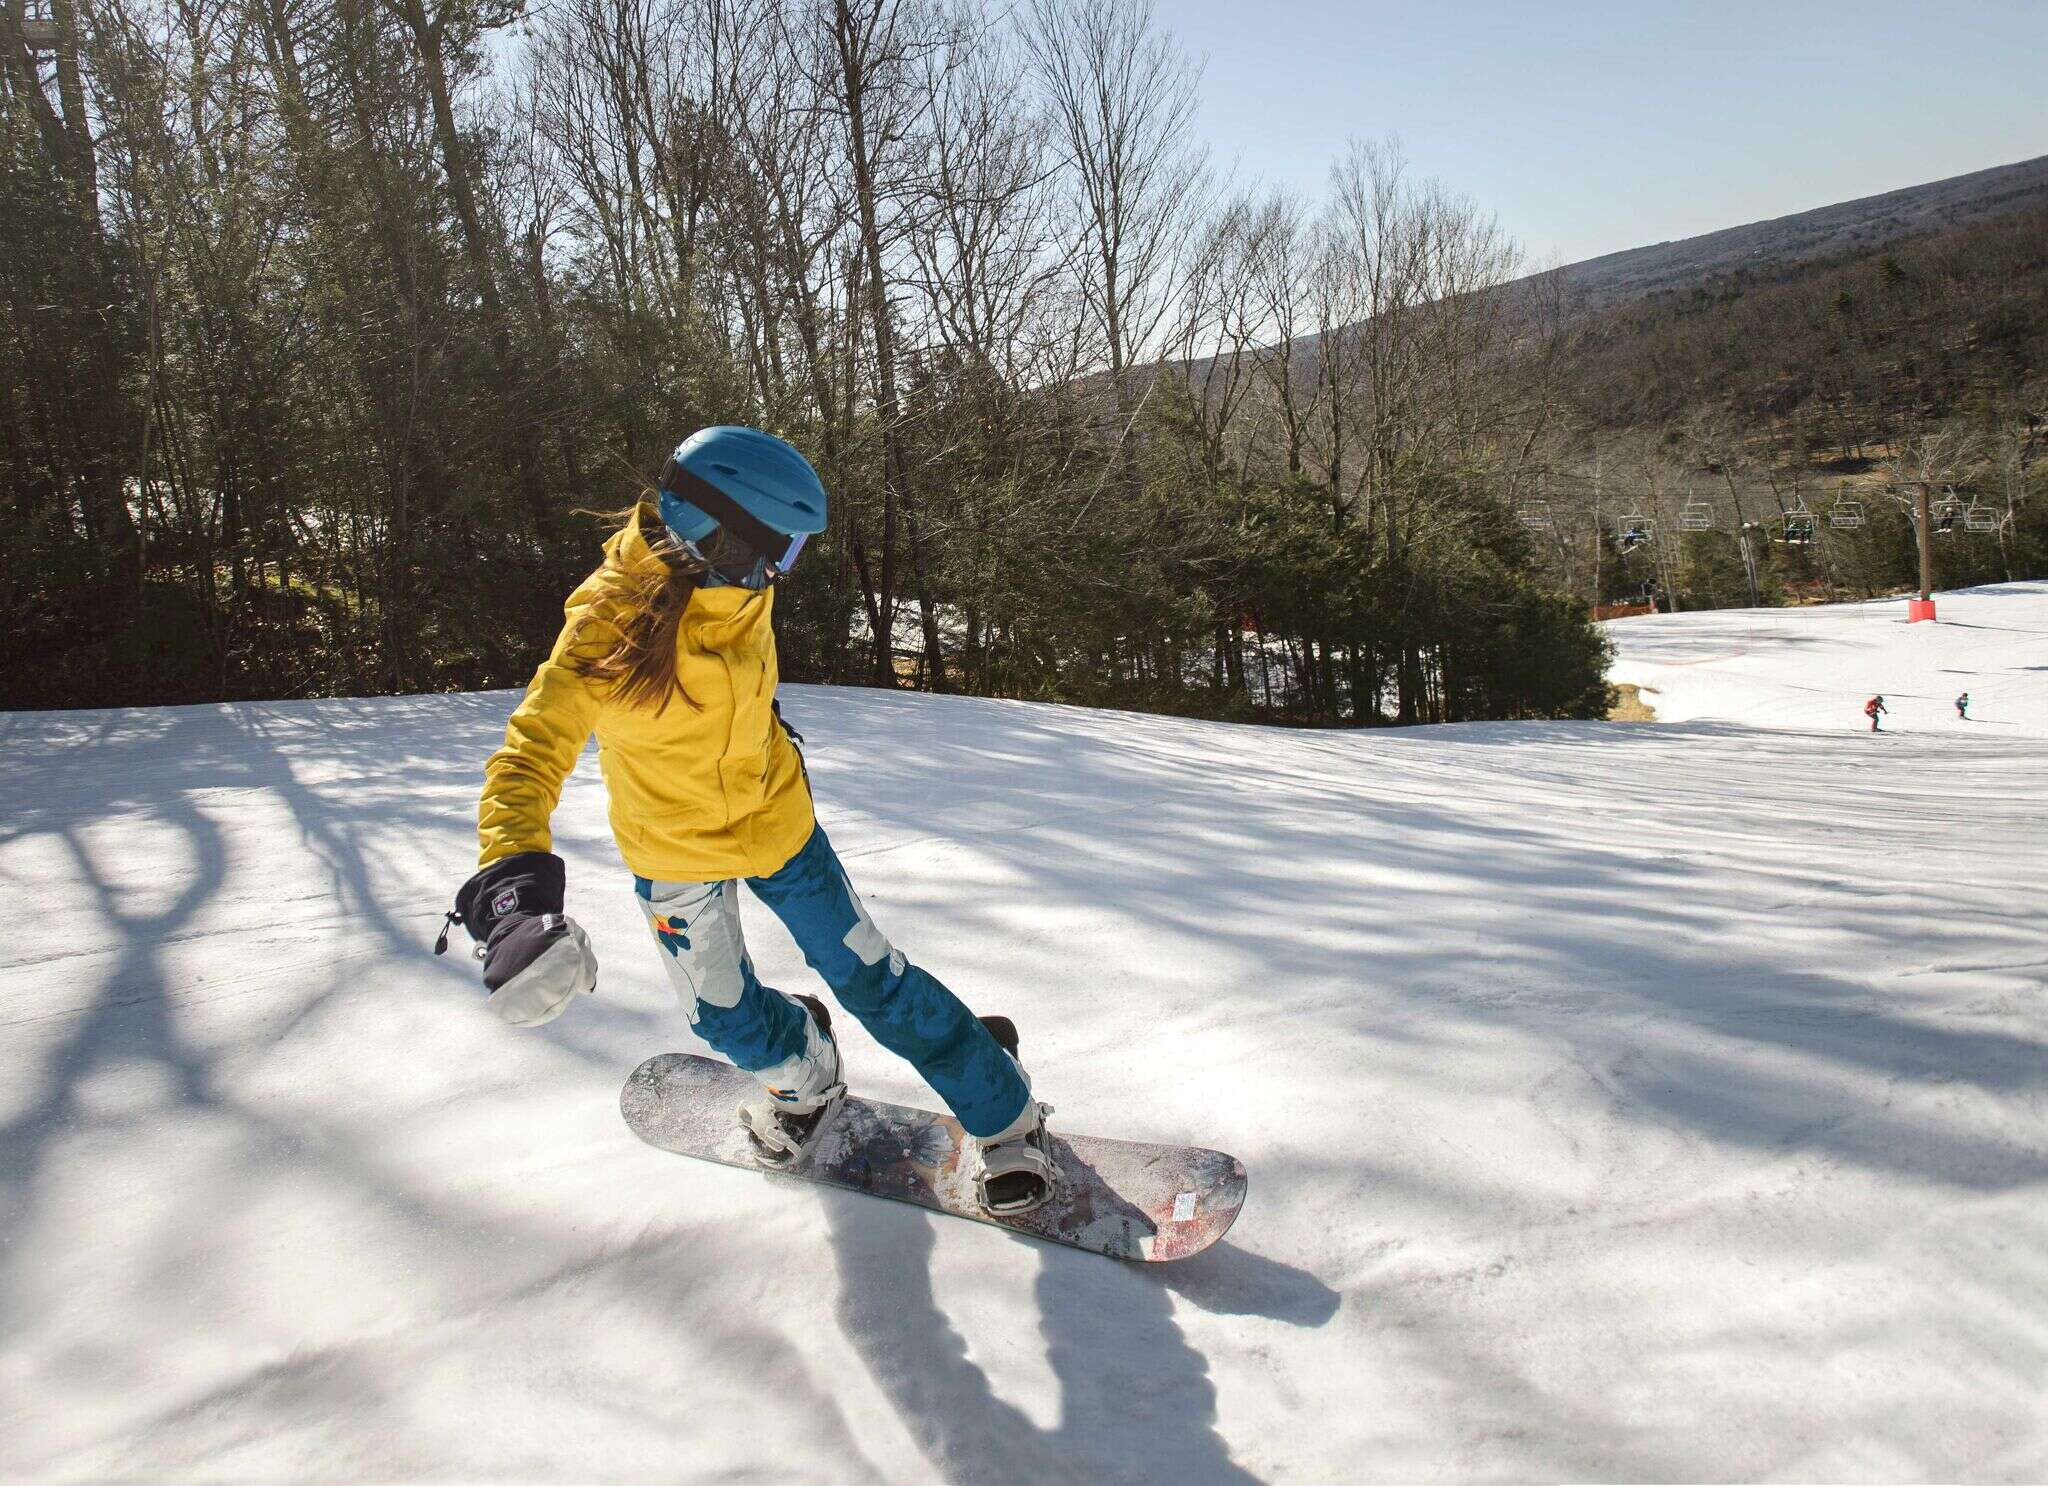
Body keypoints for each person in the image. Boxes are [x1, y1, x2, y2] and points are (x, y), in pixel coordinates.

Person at [435, 427, 1055, 1215]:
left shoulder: (739, 587)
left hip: (780, 829)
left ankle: (1005, 1116)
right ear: (714, 537)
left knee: (875, 982)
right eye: (779, 550)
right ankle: (803, 1076)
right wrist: (513, 900)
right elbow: (529, 755)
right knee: (723, 1020)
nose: (783, 572)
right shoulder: (605, 631)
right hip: (674, 851)